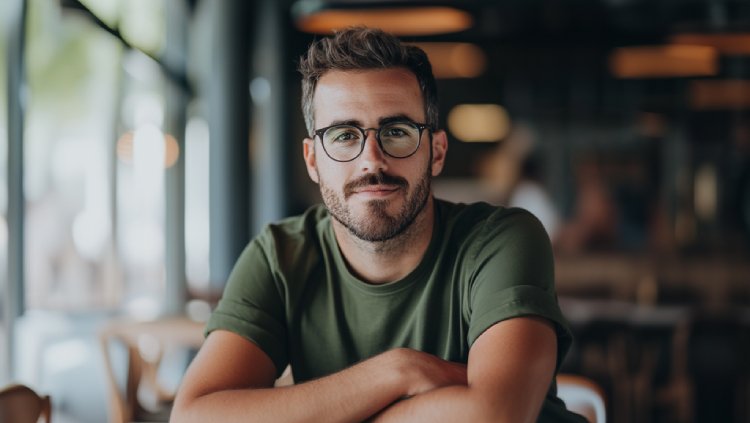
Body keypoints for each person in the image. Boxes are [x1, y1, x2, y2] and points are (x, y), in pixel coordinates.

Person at [172, 27, 586, 423]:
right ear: (312, 160)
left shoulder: (503, 240)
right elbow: (194, 417)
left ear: (436, 152)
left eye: (398, 131)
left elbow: (494, 415)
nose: (372, 160)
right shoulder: (280, 257)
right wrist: (398, 370)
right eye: (343, 135)